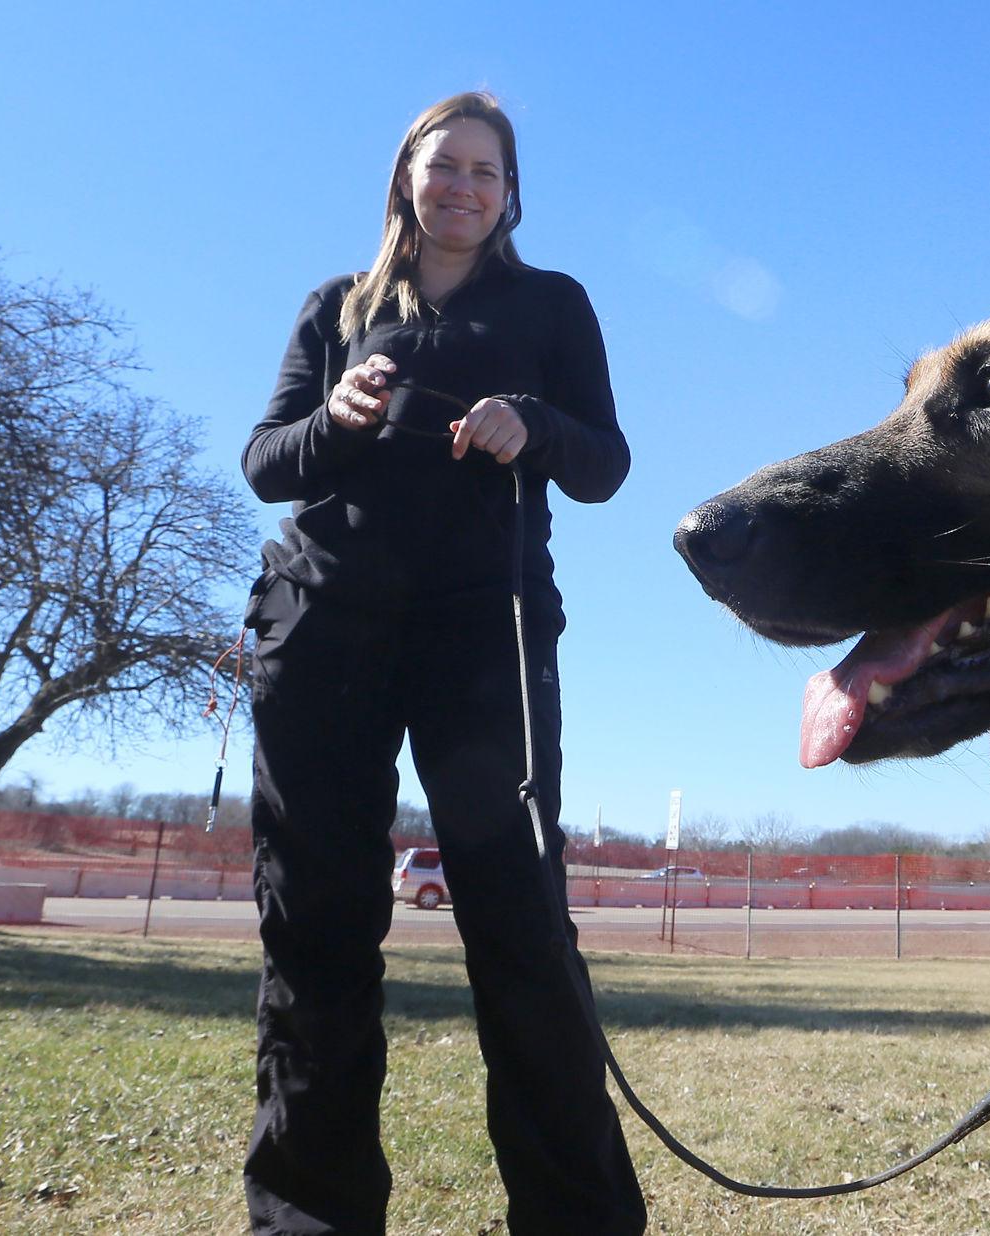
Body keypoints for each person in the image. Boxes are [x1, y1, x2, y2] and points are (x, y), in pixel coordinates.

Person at [240, 92, 646, 1235]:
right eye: (443, 167)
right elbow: (267, 461)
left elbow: (606, 461)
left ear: (512, 193)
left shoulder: (552, 305)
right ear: (404, 181)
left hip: (487, 639)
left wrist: (535, 424)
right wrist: (337, 413)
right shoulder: (340, 304)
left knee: (518, 926)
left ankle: (576, 1218)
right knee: (313, 928)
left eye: (487, 171)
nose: (464, 186)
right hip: (324, 630)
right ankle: (308, 1215)